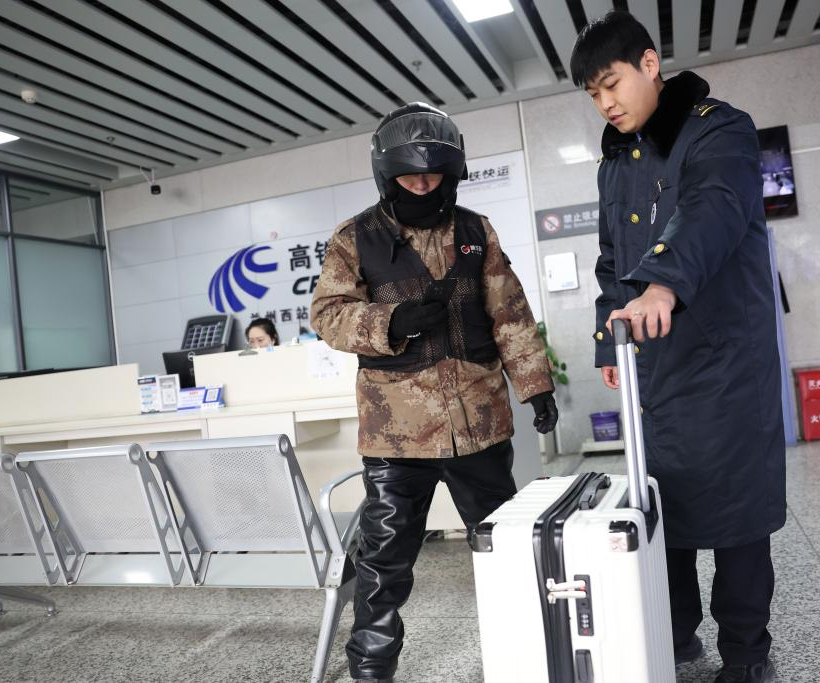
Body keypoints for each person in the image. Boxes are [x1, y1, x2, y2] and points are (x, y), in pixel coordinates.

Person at [571, 11, 785, 683]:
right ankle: (676, 633)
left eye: (612, 84)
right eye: (593, 95)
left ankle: (747, 653)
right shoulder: (615, 164)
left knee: (737, 516)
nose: (606, 104)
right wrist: (608, 339)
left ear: (650, 63)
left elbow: (712, 209)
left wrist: (663, 284)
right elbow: (611, 261)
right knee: (665, 510)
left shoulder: (719, 129)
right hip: (655, 369)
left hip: (725, 363)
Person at [310, 102, 558, 683]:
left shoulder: (475, 231)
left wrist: (535, 385)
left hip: (480, 425)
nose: (423, 185)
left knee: (504, 547)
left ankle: (529, 656)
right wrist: (390, 321)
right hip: (396, 435)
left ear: (453, 172)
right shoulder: (355, 238)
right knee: (383, 563)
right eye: (409, 175)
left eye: (433, 175)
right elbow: (327, 315)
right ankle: (370, 669)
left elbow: (509, 313)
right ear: (386, 173)